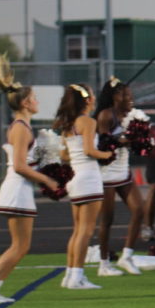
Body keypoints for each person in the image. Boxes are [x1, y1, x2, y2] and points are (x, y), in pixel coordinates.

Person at [0, 55, 59, 304]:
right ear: (26, 103)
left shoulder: (24, 127)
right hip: (17, 190)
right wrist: (47, 181)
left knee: (22, 246)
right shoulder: (20, 127)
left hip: (21, 190)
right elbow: (18, 166)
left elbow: (28, 160)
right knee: (19, 246)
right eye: (34, 98)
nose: (37, 101)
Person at [54, 83, 115, 289]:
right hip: (88, 177)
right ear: (87, 99)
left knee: (77, 230)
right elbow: (90, 150)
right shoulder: (87, 121)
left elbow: (64, 155)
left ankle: (70, 275)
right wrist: (107, 155)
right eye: (91, 94)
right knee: (86, 231)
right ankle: (77, 277)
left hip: (74, 177)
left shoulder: (68, 123)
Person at [94, 78, 144, 276]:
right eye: (126, 95)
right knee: (107, 219)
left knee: (139, 209)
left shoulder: (131, 115)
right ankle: (104, 263)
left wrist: (140, 139)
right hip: (106, 173)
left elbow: (135, 142)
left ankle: (127, 256)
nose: (130, 98)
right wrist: (123, 140)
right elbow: (103, 143)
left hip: (123, 170)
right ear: (115, 96)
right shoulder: (106, 115)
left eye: (130, 95)